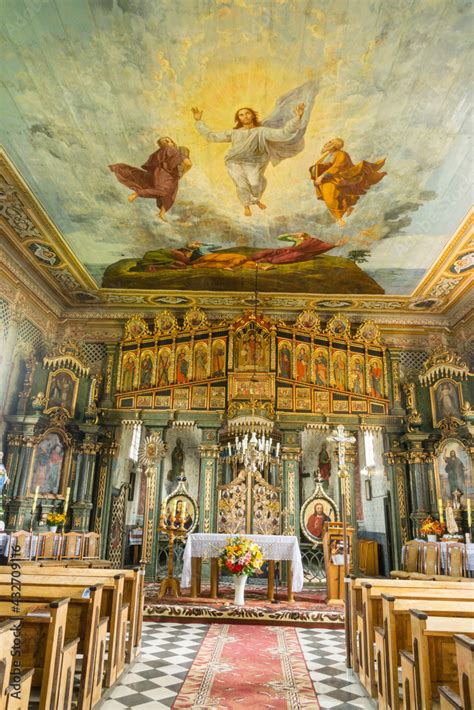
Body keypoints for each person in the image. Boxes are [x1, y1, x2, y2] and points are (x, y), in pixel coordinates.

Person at [192, 81, 318, 216]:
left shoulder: (261, 131)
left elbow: (283, 134)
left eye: (247, 113)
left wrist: (297, 118)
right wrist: (199, 122)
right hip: (234, 162)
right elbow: (212, 137)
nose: (244, 116)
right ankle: (246, 205)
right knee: (241, 185)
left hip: (255, 162)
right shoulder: (234, 133)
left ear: (252, 115)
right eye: (241, 115)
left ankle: (256, 199)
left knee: (255, 183)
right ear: (238, 119)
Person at [109, 137, 192, 221]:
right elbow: (188, 164)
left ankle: (161, 213)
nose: (174, 143)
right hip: (165, 176)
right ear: (167, 142)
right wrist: (182, 173)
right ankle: (137, 194)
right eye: (171, 141)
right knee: (164, 192)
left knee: (170, 195)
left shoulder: (161, 151)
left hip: (166, 176)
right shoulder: (171, 149)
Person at [310, 138, 386, 227]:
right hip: (324, 180)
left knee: (330, 198)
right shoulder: (327, 155)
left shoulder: (341, 154)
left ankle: (339, 219)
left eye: (330, 142)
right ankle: (347, 208)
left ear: (335, 145)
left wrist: (322, 176)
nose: (327, 143)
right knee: (336, 197)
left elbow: (337, 167)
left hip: (335, 179)